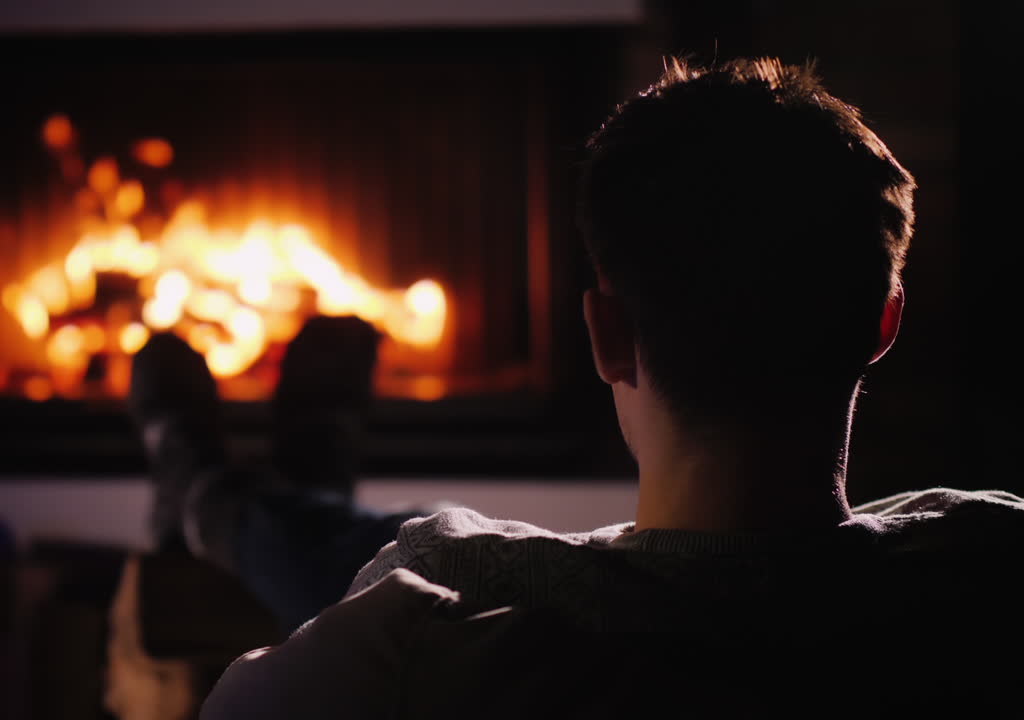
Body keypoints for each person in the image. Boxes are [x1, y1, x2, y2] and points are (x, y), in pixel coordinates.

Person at [131, 58, 1024, 717]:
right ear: (884, 325)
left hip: (484, 599)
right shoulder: (989, 563)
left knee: (360, 545)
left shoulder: (432, 608)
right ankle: (269, 474)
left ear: (606, 336)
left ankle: (204, 484)